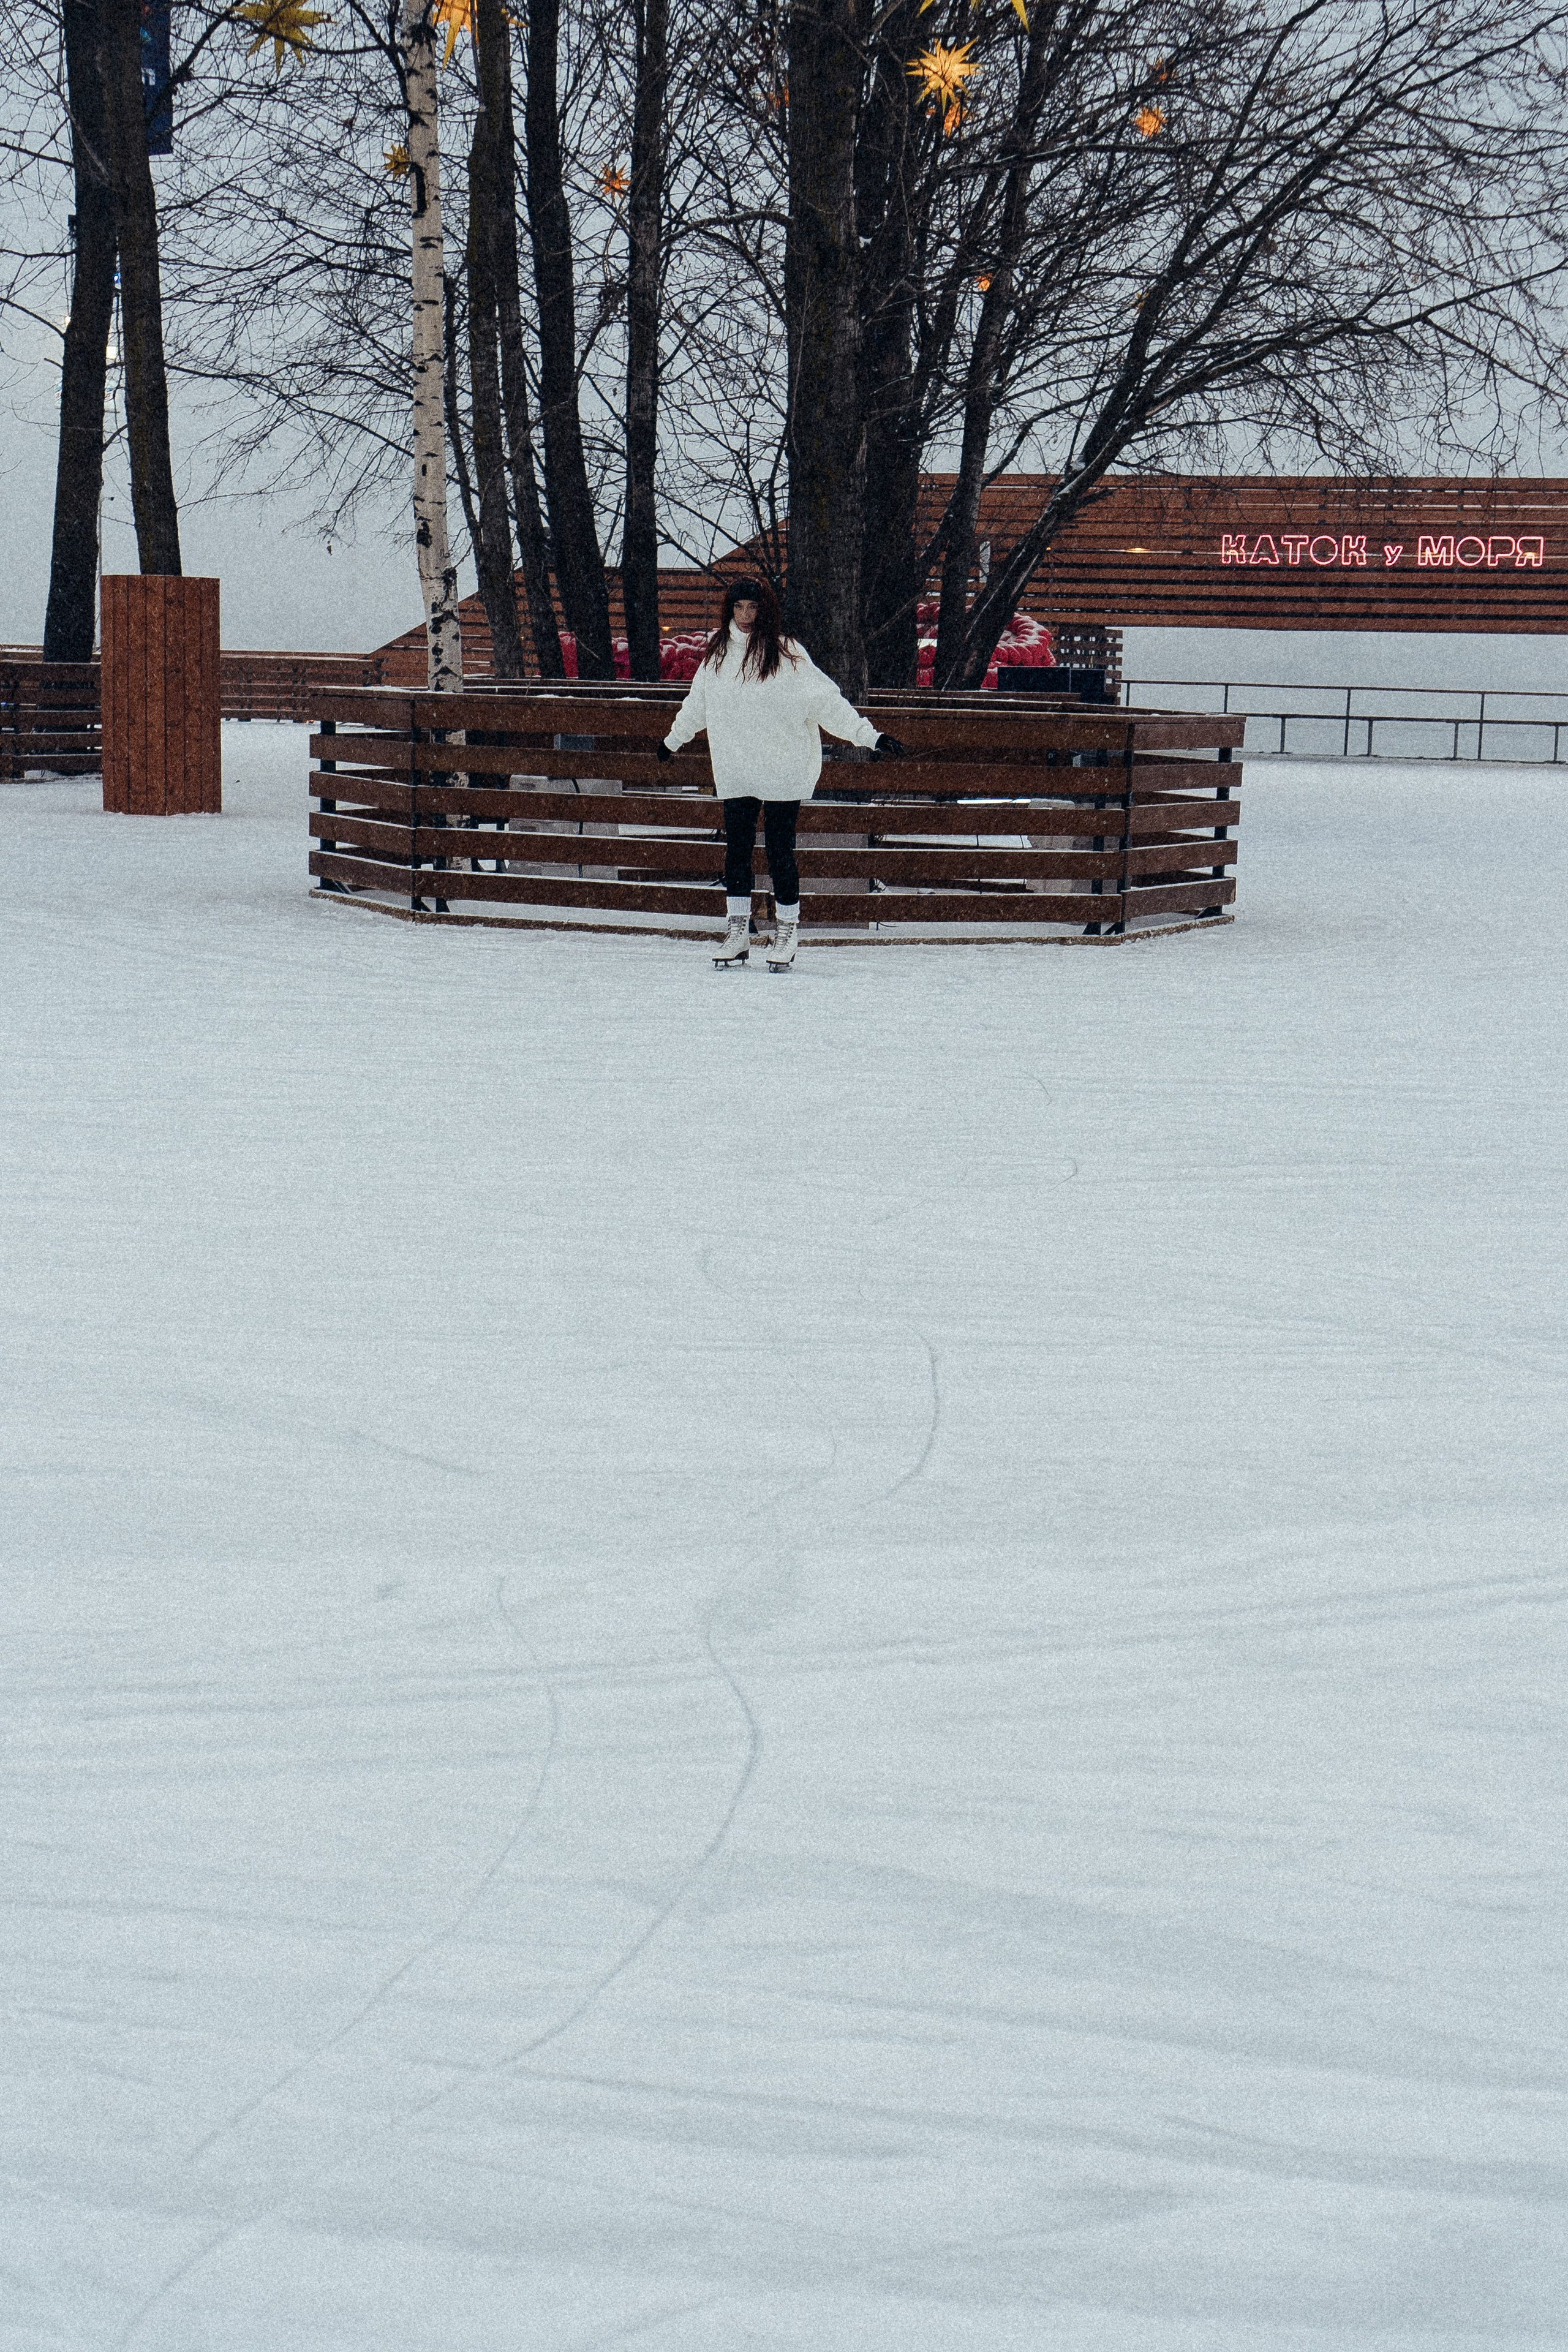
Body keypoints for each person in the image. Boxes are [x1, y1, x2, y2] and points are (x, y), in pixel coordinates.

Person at [657, 577, 904, 969]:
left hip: (782, 767)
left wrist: (870, 736)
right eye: (738, 608)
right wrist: (672, 740)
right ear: (729, 610)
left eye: (753, 608)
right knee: (736, 851)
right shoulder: (717, 655)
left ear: (765, 609)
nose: (745, 616)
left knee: (778, 852)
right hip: (737, 765)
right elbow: (697, 705)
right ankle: (739, 931)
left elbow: (826, 701)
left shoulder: (788, 654)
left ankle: (787, 930)